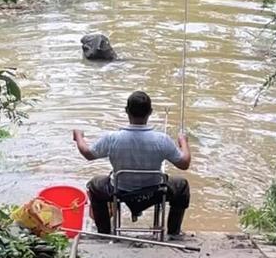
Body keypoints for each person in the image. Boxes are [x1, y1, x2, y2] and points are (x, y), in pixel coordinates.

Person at [72, 90, 191, 236]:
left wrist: (79, 137)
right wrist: (183, 142)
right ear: (150, 112)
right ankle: (174, 232)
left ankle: (104, 231)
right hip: (155, 192)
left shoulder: (112, 138)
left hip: (119, 191)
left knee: (95, 185)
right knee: (182, 186)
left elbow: (88, 154)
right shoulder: (162, 140)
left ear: (126, 111)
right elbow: (184, 163)